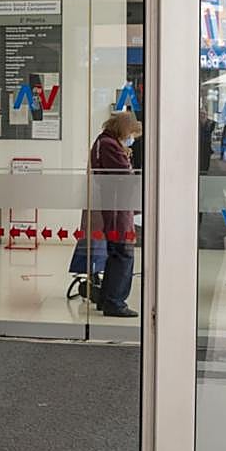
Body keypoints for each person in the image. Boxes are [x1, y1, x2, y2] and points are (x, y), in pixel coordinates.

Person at [84, 111, 143, 318]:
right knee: (123, 254)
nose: (132, 139)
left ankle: (106, 299)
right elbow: (124, 177)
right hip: (117, 208)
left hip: (115, 207)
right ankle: (115, 302)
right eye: (132, 134)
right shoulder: (109, 144)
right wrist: (127, 160)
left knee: (116, 254)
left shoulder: (105, 142)